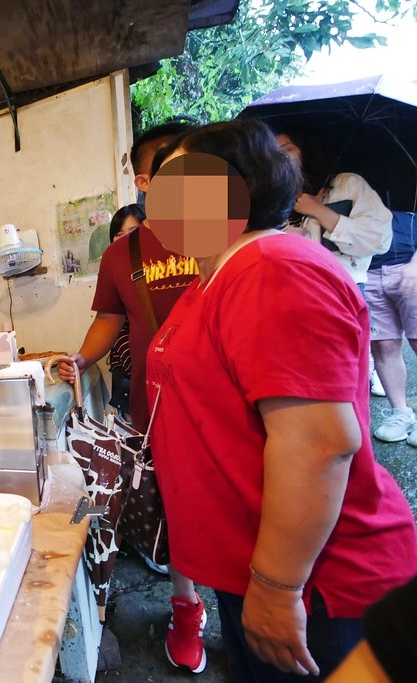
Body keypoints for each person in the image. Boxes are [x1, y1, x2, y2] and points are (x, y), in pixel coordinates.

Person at [144, 119, 417, 682]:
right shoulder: (219, 273)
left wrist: (277, 585)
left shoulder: (271, 268)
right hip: (249, 566)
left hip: (318, 582)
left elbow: (319, 442)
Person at [58, 121, 211, 675]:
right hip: (160, 407)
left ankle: (269, 597)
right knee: (180, 511)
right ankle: (187, 610)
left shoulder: (225, 234)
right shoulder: (122, 255)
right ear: (145, 180)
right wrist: (77, 359)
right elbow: (108, 319)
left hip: (230, 404)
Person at [273, 128, 394, 413]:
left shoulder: (347, 184)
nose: (280, 158)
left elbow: (379, 239)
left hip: (343, 295)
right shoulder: (276, 198)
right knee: (306, 389)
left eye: (287, 148)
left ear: (306, 150)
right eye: (273, 153)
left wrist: (318, 209)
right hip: (295, 300)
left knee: (346, 387)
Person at [366, 211, 417, 446]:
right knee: (383, 344)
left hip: (409, 262)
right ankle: (401, 413)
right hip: (368, 267)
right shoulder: (352, 177)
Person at [104, 204, 145, 418]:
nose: (125, 239)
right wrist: (136, 371)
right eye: (118, 234)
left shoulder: (157, 268)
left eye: (133, 231)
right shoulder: (115, 273)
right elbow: (114, 326)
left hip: (156, 371)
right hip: (130, 373)